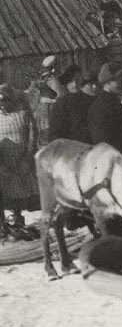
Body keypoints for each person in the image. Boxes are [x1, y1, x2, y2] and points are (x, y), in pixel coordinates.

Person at [0, 84, 38, 231]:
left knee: (23, 189)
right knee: (8, 188)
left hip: (22, 158)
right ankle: (10, 218)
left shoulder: (23, 113)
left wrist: (28, 157)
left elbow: (33, 135)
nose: (2, 105)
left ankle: (19, 216)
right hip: (5, 158)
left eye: (5, 102)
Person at [88, 62, 122, 156]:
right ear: (107, 82)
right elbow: (103, 140)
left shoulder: (112, 100)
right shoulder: (102, 105)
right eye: (118, 79)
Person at [49, 64, 94, 144]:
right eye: (70, 81)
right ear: (65, 84)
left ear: (81, 79)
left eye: (77, 79)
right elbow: (55, 136)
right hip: (70, 151)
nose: (75, 84)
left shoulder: (90, 101)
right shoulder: (60, 104)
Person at [34, 56, 66, 147]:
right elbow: (60, 96)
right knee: (45, 136)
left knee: (44, 136)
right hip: (45, 111)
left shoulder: (47, 79)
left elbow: (60, 96)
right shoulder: (50, 79)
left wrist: (47, 100)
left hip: (44, 110)